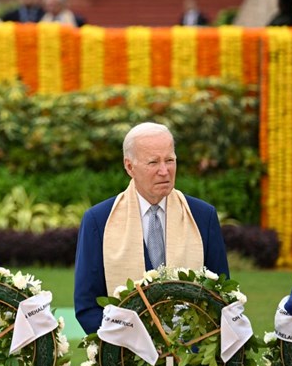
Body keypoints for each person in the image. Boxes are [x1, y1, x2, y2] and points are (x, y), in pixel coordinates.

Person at [73, 122, 229, 334]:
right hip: (125, 357)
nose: (164, 171)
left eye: (170, 160)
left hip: (191, 356)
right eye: (153, 162)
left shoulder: (202, 216)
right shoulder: (99, 220)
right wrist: (127, 345)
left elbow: (222, 297)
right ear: (129, 167)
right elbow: (87, 306)